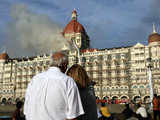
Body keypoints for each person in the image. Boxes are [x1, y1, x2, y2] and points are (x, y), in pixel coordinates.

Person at [24, 52, 84, 120]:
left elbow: (26, 111)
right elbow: (73, 116)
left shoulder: (35, 79)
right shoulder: (68, 81)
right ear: (64, 65)